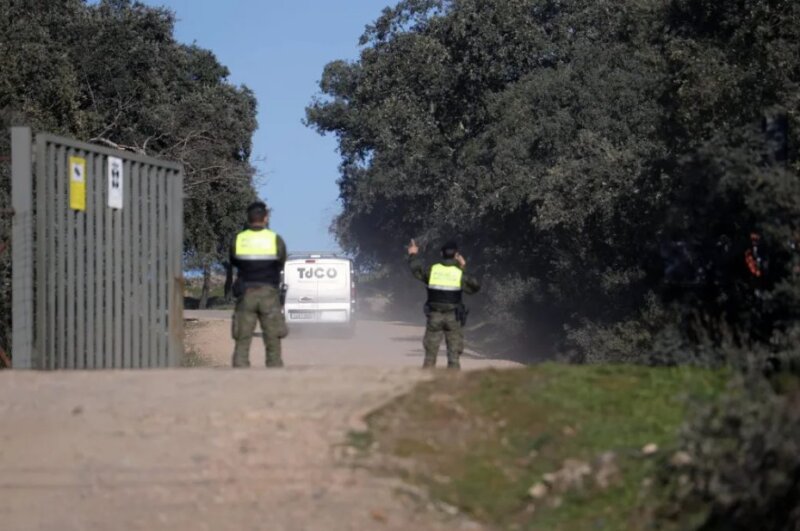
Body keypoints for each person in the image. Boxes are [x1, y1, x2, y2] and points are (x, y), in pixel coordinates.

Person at [224, 201, 288, 368]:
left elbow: (233, 261)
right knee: (272, 336)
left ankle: (240, 372)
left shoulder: (239, 239)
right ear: (265, 218)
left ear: (248, 218)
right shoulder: (275, 239)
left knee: (242, 337)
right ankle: (274, 371)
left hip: (246, 292)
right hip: (269, 293)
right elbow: (281, 262)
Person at [407, 238, 480, 369]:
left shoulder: (433, 270)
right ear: (456, 255)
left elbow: (416, 270)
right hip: (454, 318)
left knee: (430, 355)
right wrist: (462, 266)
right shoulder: (459, 274)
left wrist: (413, 254)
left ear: (441, 253)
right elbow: (474, 287)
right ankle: (452, 385)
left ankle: (426, 383)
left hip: (434, 316)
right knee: (454, 356)